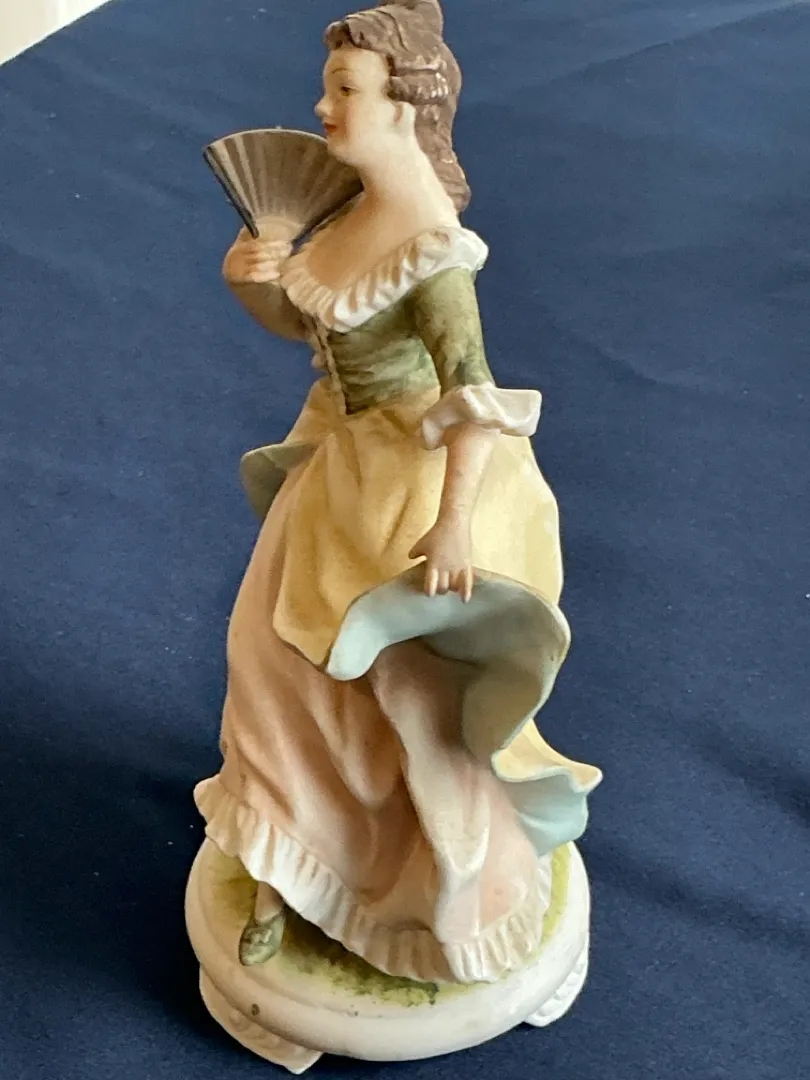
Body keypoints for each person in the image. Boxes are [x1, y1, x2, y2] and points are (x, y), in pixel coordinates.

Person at [194, 0, 601, 986]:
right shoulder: (349, 210)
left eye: (344, 90)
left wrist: (452, 526)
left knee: (401, 700)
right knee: (271, 665)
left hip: (413, 491)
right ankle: (289, 867)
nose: (323, 108)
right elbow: (317, 327)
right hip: (341, 470)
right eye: (329, 87)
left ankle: (437, 892)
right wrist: (254, 276)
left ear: (405, 108)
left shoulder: (435, 251)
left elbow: (474, 400)